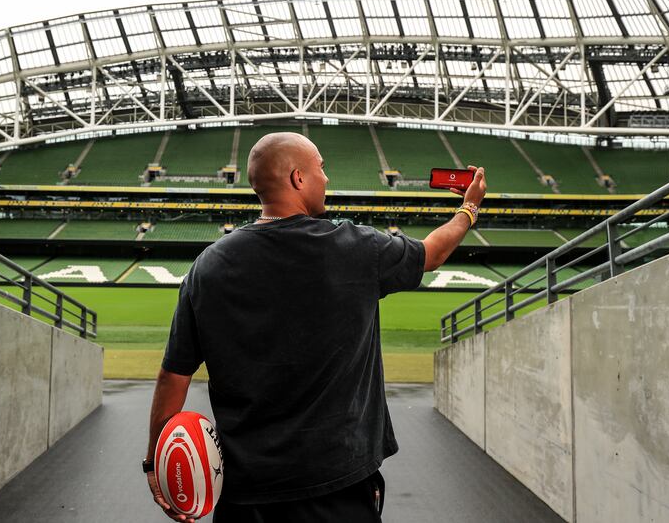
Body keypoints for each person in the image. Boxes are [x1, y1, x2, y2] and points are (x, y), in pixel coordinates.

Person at [144, 132, 487, 523]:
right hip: (338, 488)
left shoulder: (207, 266)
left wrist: (156, 461)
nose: (326, 178)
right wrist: (469, 209)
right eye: (321, 168)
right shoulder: (356, 247)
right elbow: (433, 252)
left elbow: (174, 375)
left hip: (245, 493)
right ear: (298, 178)